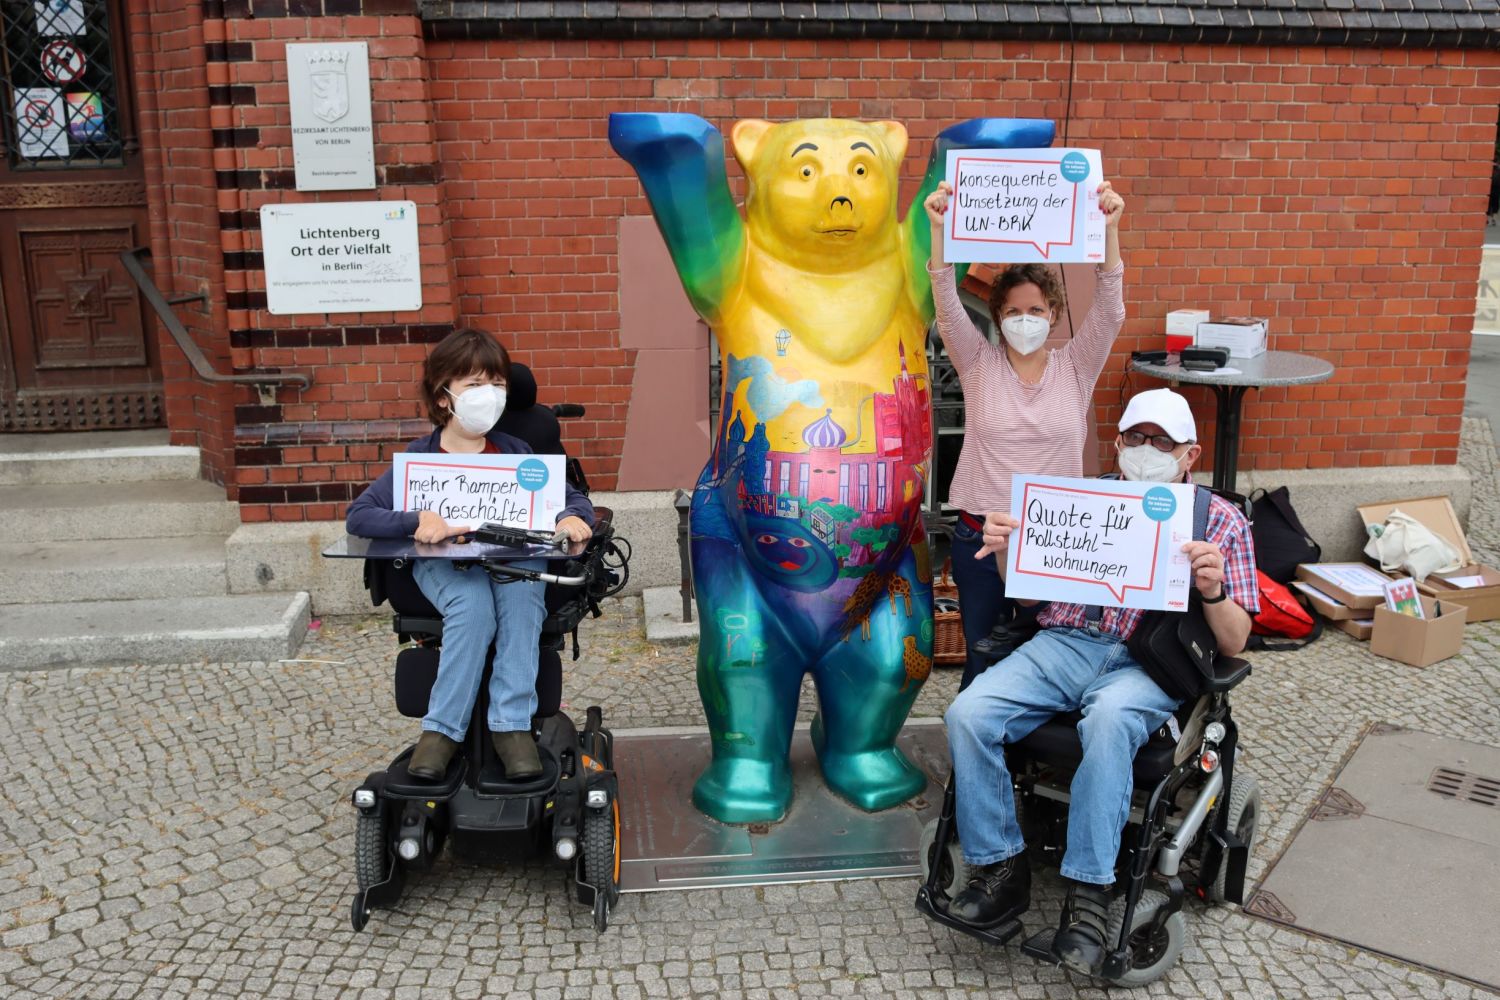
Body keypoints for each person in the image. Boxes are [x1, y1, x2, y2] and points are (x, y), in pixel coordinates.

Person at [942, 388, 1259, 975]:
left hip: (1148, 659)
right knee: (968, 713)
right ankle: (1001, 865)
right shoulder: (1080, 501)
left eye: (1161, 442)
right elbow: (1031, 600)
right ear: (1117, 444)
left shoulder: (1221, 520)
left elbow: (1236, 640)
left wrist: (1213, 590)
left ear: (1190, 454)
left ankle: (1090, 890)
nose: (1146, 450)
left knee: (1110, 721)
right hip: (1066, 642)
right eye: (1136, 437)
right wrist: (1009, 550)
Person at [346, 328, 594, 781]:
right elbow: (360, 515)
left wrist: (571, 517)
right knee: (473, 608)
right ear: (444, 396)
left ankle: (511, 725)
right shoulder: (419, 462)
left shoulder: (519, 454)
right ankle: (441, 730)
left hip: (513, 560)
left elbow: (572, 499)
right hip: (447, 564)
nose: (490, 395)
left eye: (497, 384)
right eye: (475, 385)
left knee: (523, 600)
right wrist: (415, 519)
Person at [924, 178, 1126, 686]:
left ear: (1053, 315)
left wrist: (1108, 230)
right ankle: (975, 735)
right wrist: (939, 230)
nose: (1025, 319)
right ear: (998, 317)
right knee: (983, 658)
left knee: (1050, 661)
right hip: (981, 537)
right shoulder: (977, 363)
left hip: (1056, 540)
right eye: (1013, 311)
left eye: (1036, 310)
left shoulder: (1076, 366)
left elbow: (1109, 312)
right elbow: (946, 302)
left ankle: (1039, 738)